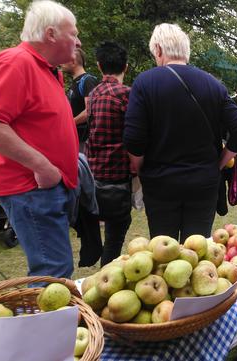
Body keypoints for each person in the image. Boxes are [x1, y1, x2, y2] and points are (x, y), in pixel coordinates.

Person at [0, 0, 80, 279]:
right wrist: (41, 166)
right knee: (52, 273)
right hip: (30, 188)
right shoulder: (16, 62)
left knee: (56, 270)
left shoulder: (45, 69)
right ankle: (46, 323)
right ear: (51, 34)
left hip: (43, 188)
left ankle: (51, 321)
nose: (77, 42)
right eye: (73, 34)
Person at [124, 23, 237, 241]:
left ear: (159, 50)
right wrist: (219, 163)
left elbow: (133, 139)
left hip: (160, 183)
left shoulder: (145, 82)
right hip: (203, 183)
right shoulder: (213, 84)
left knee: (164, 256)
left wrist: (142, 169)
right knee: (196, 253)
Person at [77, 41, 132, 266]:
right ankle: (107, 278)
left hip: (93, 177)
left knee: (102, 236)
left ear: (99, 66)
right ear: (125, 67)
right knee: (114, 241)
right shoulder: (127, 94)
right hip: (118, 178)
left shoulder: (94, 94)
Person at [62, 48, 99, 152]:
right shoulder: (75, 83)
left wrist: (69, 123)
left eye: (64, 60)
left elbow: (89, 110)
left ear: (73, 61)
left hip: (83, 140)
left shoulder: (88, 80)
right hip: (73, 138)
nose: (61, 63)